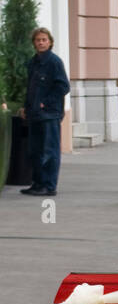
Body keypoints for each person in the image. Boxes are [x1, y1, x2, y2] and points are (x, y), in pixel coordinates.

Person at [17, 27, 70, 196]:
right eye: (38, 40)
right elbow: (31, 88)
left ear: (50, 42)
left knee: (49, 151)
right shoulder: (33, 62)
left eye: (44, 40)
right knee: (35, 151)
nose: (41, 42)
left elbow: (63, 86)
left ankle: (49, 186)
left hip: (49, 115)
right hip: (34, 115)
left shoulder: (54, 62)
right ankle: (37, 183)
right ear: (34, 43)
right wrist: (26, 106)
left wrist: (44, 103)